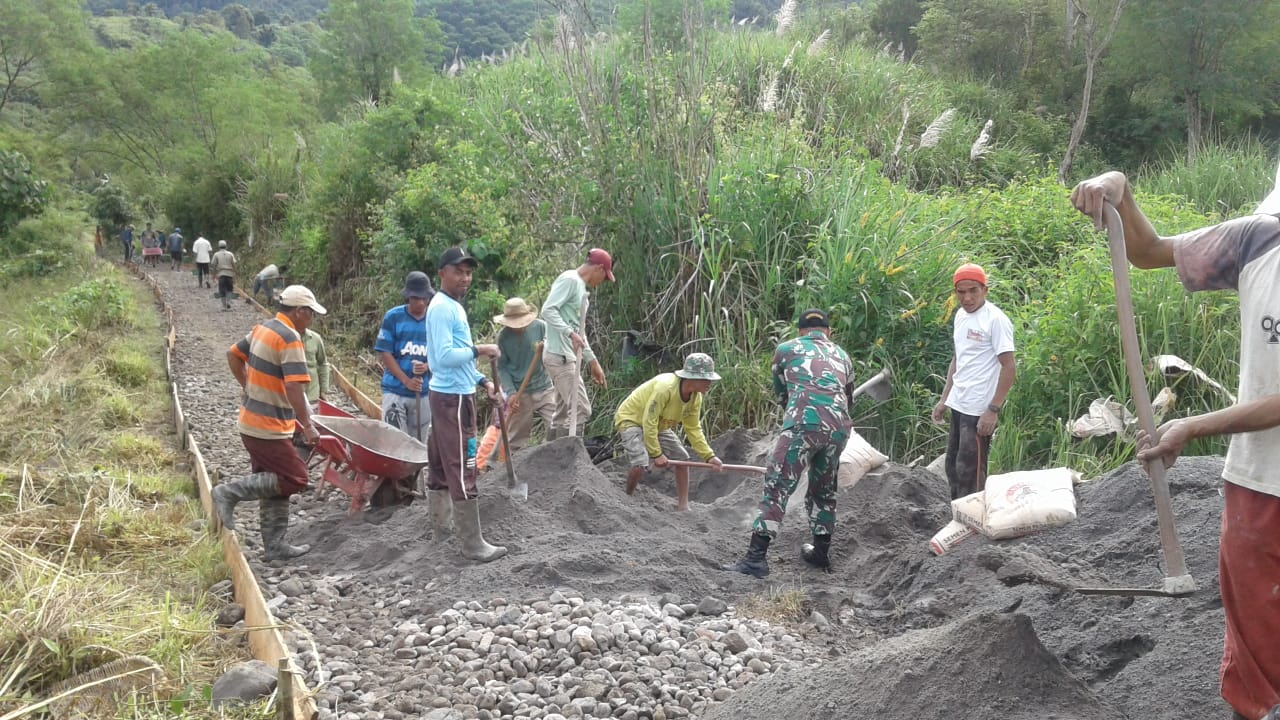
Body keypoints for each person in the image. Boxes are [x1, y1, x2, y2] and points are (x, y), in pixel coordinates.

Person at [1072, 170, 1280, 720]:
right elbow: (1148, 251)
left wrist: (1192, 426)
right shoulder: (1256, 239)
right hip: (1258, 483)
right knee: (1255, 649)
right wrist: (1121, 192)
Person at [725, 309, 854, 577]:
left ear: (800, 331)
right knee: (824, 491)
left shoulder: (785, 349)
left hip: (803, 424)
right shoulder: (843, 355)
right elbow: (848, 398)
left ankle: (755, 559)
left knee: (777, 487)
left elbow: (782, 393)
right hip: (839, 428)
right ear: (828, 332)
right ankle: (821, 553)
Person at [212, 285, 328, 561]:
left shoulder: (264, 328)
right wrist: (309, 425)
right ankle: (228, 493)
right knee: (295, 477)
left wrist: (248, 386)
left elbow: (233, 355)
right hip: (268, 428)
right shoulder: (290, 339)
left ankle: (275, 546)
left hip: (253, 421)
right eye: (310, 313)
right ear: (299, 311)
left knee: (275, 486)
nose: (312, 319)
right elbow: (294, 389)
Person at [425, 246, 506, 562]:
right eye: (458, 271)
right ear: (442, 273)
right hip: (453, 401)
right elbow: (444, 358)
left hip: (450, 394)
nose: (465, 278)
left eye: (468, 272)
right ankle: (472, 544)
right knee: (462, 465)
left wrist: (482, 381)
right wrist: (481, 349)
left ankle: (441, 530)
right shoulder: (444, 308)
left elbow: (455, 358)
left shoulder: (451, 307)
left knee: (439, 463)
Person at [929, 262, 1016, 500]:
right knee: (953, 467)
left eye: (973, 291)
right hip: (960, 402)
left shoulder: (995, 320)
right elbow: (958, 359)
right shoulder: (960, 316)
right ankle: (958, 517)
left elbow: (1009, 368)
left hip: (979, 409)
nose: (967, 298)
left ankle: (972, 526)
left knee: (971, 472)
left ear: (984, 290)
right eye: (961, 292)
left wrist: (993, 409)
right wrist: (944, 399)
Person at [614, 353, 724, 511]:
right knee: (640, 462)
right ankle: (627, 498)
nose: (710, 383)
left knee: (683, 459)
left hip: (659, 425)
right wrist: (657, 454)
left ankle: (683, 505)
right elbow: (648, 420)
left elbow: (693, 428)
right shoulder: (665, 388)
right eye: (706, 379)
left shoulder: (695, 397)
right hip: (632, 419)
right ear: (692, 378)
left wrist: (709, 456)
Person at [541, 248, 614, 438]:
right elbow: (548, 310)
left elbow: (579, 331)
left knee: (562, 414)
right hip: (560, 356)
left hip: (566, 355)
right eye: (604, 277)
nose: (602, 282)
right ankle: (571, 462)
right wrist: (569, 333)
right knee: (581, 409)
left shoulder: (580, 287)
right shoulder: (570, 280)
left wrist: (593, 361)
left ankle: (548, 461)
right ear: (598, 268)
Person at [492, 297, 556, 457]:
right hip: (520, 392)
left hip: (544, 386)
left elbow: (554, 346)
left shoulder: (541, 327)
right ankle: (512, 465)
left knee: (556, 425)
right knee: (516, 437)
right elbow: (502, 368)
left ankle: (551, 456)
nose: (519, 327)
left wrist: (546, 348)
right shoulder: (503, 338)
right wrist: (512, 393)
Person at [375, 271, 434, 444]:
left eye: (425, 298)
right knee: (395, 441)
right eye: (416, 298)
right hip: (395, 390)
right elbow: (385, 352)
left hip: (423, 393)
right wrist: (406, 380)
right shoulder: (393, 317)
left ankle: (414, 472)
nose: (421, 302)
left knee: (418, 443)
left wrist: (428, 366)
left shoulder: (434, 318)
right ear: (408, 297)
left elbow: (442, 352)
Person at [303, 327, 330, 408]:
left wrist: (323, 390)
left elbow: (323, 364)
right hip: (290, 395)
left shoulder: (315, 338)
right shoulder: (285, 337)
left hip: (311, 394)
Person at [211, 240, 237, 310]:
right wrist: (235, 275)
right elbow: (234, 265)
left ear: (219, 246)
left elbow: (213, 265)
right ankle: (228, 301)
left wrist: (213, 275)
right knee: (230, 289)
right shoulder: (230, 254)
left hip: (221, 274)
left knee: (222, 290)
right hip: (230, 274)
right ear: (226, 246)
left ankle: (224, 306)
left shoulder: (216, 254)